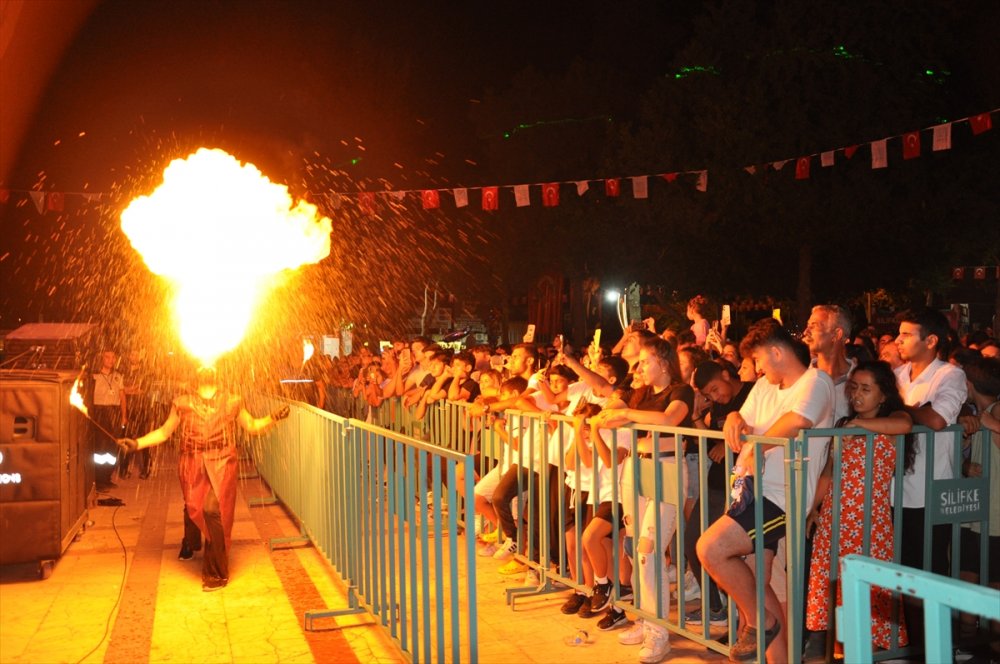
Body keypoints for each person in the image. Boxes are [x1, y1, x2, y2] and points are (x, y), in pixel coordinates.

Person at [696, 318, 834, 663]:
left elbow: (798, 420)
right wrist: (732, 420)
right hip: (749, 491)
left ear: (776, 352)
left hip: (782, 498)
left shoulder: (816, 381)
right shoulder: (763, 386)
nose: (756, 367)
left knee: (710, 549)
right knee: (760, 581)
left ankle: (761, 621)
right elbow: (741, 418)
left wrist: (757, 445)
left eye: (758, 359)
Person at [118, 366, 290, 591]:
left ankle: (217, 572)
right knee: (193, 507)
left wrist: (273, 417)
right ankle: (190, 542)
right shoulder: (183, 403)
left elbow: (252, 426)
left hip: (222, 461)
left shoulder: (232, 401)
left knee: (212, 511)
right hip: (192, 463)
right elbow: (164, 432)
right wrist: (137, 443)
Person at [591, 336, 695, 663]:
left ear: (663, 361)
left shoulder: (680, 391)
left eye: (646, 361)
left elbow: (670, 420)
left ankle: (658, 633)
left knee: (649, 551)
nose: (640, 368)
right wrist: (619, 412)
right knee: (633, 548)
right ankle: (646, 618)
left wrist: (628, 417)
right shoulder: (641, 393)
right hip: (635, 471)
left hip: (666, 472)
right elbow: (609, 411)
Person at [804, 361, 912, 658]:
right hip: (834, 518)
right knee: (837, 591)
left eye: (866, 389)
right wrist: (814, 507)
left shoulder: (893, 419)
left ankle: (868, 653)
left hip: (869, 521)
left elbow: (904, 425)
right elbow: (829, 470)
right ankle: (845, 653)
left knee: (869, 590)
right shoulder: (843, 426)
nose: (857, 395)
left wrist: (860, 425)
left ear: (883, 395)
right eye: (854, 388)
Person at [91, 349, 127, 490]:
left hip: (114, 412)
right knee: (100, 447)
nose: (110, 360)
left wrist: (124, 416)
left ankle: (107, 477)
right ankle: (98, 479)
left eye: (113, 357)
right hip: (100, 412)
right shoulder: (94, 376)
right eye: (107, 357)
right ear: (102, 359)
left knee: (113, 446)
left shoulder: (118, 376)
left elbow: (122, 396)